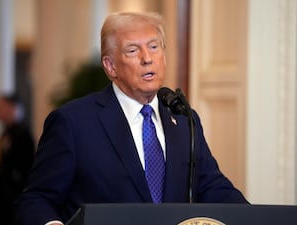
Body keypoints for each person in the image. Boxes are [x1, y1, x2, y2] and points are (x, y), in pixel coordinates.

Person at [14, 12, 248, 225]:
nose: (147, 58)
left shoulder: (184, 119)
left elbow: (212, 186)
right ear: (110, 66)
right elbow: (36, 199)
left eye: (154, 47)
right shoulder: (73, 123)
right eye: (133, 51)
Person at [0, 93, 35, 225]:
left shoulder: (22, 134)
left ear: (12, 108)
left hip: (14, 195)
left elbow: (25, 167)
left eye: (2, 108)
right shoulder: (6, 133)